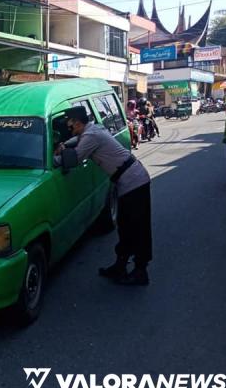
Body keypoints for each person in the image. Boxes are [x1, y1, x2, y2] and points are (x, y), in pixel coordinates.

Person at [55, 106, 153, 285]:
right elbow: (78, 139)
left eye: (69, 126)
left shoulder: (91, 136)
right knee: (125, 227)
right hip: (129, 180)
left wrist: (53, 159)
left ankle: (141, 271)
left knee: (138, 228)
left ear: (77, 123)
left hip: (133, 182)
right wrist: (66, 144)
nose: (68, 130)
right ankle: (120, 266)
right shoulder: (93, 129)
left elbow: (74, 159)